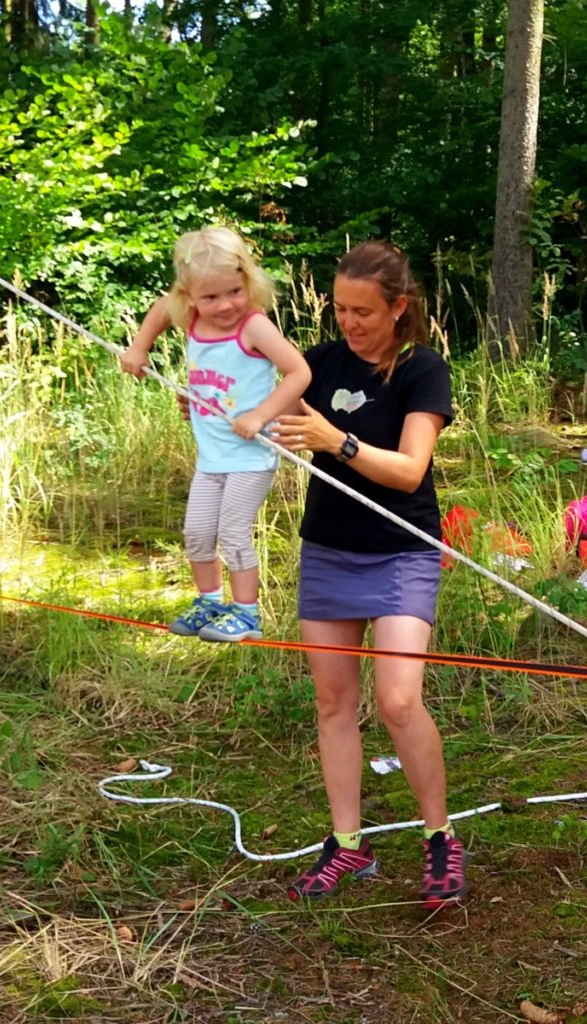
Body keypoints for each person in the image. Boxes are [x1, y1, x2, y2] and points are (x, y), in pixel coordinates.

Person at [270, 240, 467, 908]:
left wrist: (338, 442)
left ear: (398, 307)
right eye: (339, 308)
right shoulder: (316, 364)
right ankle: (348, 844)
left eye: (362, 310)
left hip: (401, 551)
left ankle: (439, 837)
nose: (348, 322)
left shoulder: (421, 370)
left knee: (398, 700)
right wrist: (215, 412)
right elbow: (261, 416)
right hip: (327, 551)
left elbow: (409, 470)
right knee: (332, 702)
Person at [120, 226, 311, 642]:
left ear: (248, 283)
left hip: (250, 456)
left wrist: (261, 415)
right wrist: (140, 348)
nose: (225, 305)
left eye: (234, 292)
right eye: (210, 297)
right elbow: (157, 311)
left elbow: (299, 372)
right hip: (212, 457)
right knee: (197, 533)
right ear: (189, 297)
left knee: (233, 533)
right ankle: (210, 601)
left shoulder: (253, 327)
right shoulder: (189, 319)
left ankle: (246, 614)